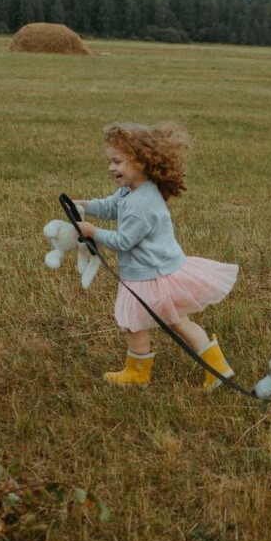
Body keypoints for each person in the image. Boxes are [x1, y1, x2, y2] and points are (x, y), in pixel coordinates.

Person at [73, 122, 238, 388]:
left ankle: (138, 374)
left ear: (141, 162)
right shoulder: (132, 189)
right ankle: (217, 367)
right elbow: (111, 206)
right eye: (109, 161)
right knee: (178, 322)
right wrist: (85, 205)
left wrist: (92, 232)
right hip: (157, 271)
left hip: (150, 277)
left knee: (134, 324)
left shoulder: (142, 204)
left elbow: (123, 241)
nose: (111, 167)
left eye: (117, 161)